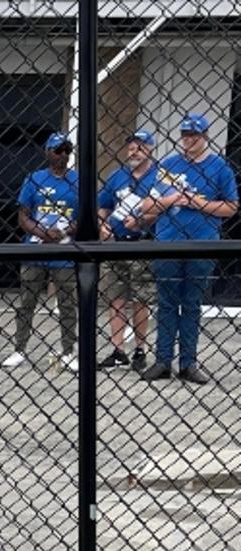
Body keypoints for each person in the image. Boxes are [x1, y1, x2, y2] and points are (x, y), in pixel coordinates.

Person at [137, 113, 238, 384]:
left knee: (191, 304)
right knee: (167, 302)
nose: (189, 140)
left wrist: (198, 203)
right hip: (168, 242)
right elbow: (146, 206)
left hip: (202, 242)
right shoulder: (167, 165)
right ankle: (162, 360)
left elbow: (230, 207)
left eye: (195, 135)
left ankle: (188, 362)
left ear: (205, 136)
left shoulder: (220, 168)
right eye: (185, 135)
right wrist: (171, 199)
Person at [3, 132, 80, 371]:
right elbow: (23, 215)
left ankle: (68, 351)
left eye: (67, 150)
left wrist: (64, 232)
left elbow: (86, 216)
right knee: (27, 301)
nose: (63, 155)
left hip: (65, 249)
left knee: (67, 303)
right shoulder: (34, 179)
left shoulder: (79, 181)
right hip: (35, 247)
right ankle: (19, 349)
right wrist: (41, 232)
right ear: (47, 152)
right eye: (58, 150)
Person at [97, 130, 159, 372]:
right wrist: (102, 224)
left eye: (140, 146)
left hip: (143, 242)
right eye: (131, 147)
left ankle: (140, 350)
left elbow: (163, 209)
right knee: (116, 297)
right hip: (116, 242)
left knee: (141, 299)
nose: (134, 151)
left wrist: (142, 221)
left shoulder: (158, 176)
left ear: (151, 149)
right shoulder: (117, 176)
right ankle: (118, 349)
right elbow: (103, 205)